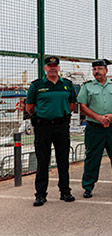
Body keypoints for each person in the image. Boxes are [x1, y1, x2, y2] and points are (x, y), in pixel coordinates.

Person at [25, 55, 77, 207]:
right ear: (45, 68)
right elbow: (30, 107)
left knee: (63, 160)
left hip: (61, 126)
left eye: (55, 65)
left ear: (58, 67)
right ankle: (40, 194)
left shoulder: (66, 84)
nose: (53, 68)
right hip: (43, 127)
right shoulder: (36, 85)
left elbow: (72, 104)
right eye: (50, 65)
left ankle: (65, 191)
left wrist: (61, 115)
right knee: (43, 161)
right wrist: (44, 116)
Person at [77, 60, 112, 198]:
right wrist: (98, 117)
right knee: (92, 157)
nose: (97, 72)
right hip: (94, 128)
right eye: (94, 69)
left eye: (100, 69)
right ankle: (88, 186)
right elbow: (82, 106)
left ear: (106, 70)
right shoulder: (87, 87)